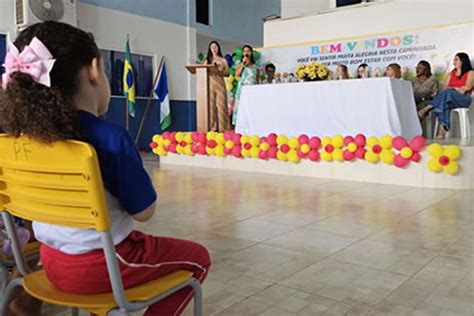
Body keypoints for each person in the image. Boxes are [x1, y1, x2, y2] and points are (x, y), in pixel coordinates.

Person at [0, 21, 211, 315]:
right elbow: (145, 212)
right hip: (103, 269)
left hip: (48, 263)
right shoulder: (110, 138)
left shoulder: (20, 141)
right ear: (94, 71)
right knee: (199, 257)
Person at [419, 52, 473, 138]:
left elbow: (467, 87)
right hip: (449, 99)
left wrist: (453, 88)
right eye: (454, 59)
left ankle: (428, 107)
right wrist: (457, 89)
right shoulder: (451, 73)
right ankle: (441, 131)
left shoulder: (471, 73)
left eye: (456, 59)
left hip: (464, 99)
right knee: (444, 103)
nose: (454, 61)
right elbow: (444, 87)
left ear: (463, 61)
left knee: (448, 93)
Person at [204, 41, 230, 132]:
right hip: (210, 85)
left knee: (222, 106)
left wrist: (219, 71)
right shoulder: (207, 61)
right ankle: (212, 128)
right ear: (210, 49)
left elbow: (228, 73)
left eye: (215, 47)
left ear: (218, 48)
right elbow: (203, 72)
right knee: (211, 107)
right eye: (212, 47)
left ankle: (224, 129)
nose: (214, 49)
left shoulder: (223, 60)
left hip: (220, 85)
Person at [232, 44, 261, 125]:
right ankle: (239, 126)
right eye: (244, 51)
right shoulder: (240, 64)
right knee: (241, 107)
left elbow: (258, 79)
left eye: (248, 51)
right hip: (242, 90)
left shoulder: (256, 67)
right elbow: (237, 74)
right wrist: (243, 64)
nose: (246, 53)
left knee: (251, 108)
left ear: (251, 53)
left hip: (253, 90)